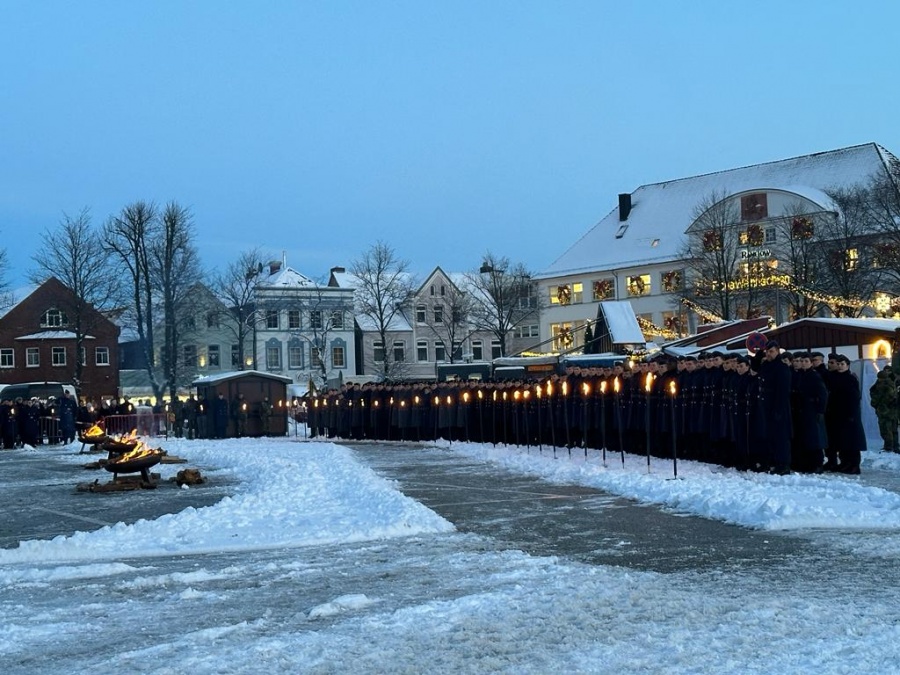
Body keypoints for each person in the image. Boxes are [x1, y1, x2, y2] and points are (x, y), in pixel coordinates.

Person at [754, 339, 793, 474]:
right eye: (767, 352)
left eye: (771, 352)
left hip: (777, 407)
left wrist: (778, 410)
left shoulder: (782, 368)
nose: (769, 354)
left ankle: (783, 464)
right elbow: (755, 370)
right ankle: (770, 462)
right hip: (765, 406)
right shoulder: (766, 366)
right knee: (768, 436)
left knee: (780, 437)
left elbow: (782, 391)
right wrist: (757, 356)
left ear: (777, 351)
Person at [827, 355, 867, 474]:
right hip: (839, 414)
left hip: (850, 414)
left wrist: (852, 413)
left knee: (852, 441)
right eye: (838, 364)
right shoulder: (836, 378)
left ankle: (854, 464)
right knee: (843, 440)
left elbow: (854, 397)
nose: (839, 366)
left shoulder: (850, 378)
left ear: (847, 365)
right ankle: (845, 463)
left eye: (842, 364)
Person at [869, 368, 898, 453]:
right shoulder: (892, 384)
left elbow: (876, 397)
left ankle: (888, 447)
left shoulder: (881, 385)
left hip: (884, 411)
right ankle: (895, 446)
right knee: (893, 429)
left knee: (885, 430)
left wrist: (875, 404)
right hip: (892, 411)